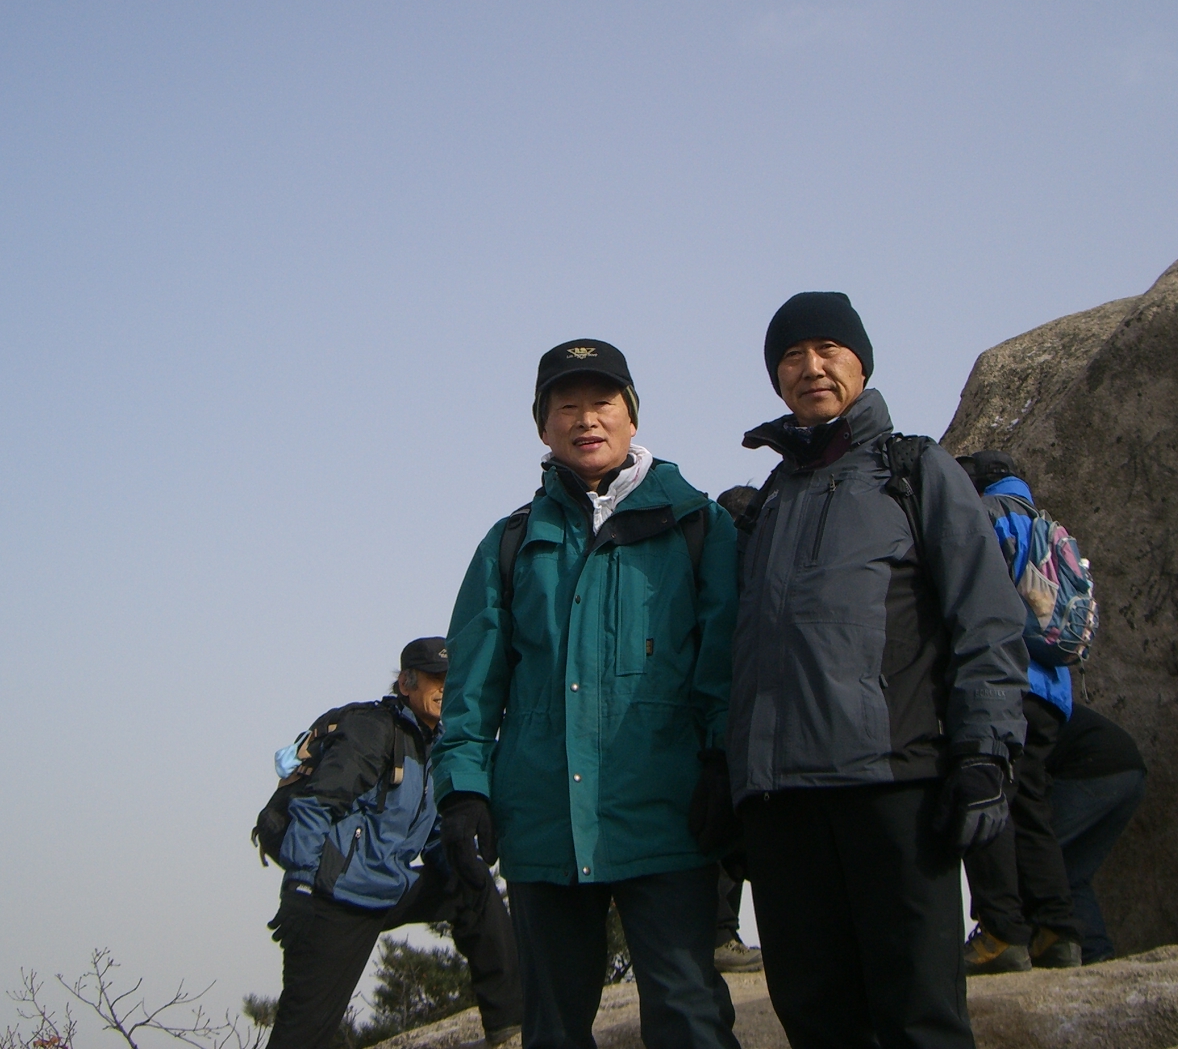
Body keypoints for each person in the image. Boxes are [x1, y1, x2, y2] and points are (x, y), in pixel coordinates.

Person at [728, 293, 1030, 1049]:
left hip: (894, 789)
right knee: (817, 1021)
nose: (811, 366)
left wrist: (985, 752)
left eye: (829, 349)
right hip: (782, 807)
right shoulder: (767, 503)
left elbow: (988, 619)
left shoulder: (916, 471)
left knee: (919, 1019)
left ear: (861, 363)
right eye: (791, 355)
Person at [434, 340, 741, 1049]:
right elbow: (474, 684)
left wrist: (724, 763)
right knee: (552, 1028)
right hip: (543, 822)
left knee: (690, 1016)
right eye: (565, 406)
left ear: (633, 415)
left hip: (668, 817)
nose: (586, 419)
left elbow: (724, 666)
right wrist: (463, 791)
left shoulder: (699, 525)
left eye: (602, 402)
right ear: (542, 427)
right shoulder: (511, 541)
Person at [265, 638, 522, 1049]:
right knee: (303, 1033)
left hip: (390, 887)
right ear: (406, 683)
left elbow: (433, 833)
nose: (445, 688)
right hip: (337, 898)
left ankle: (509, 1023)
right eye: (435, 678)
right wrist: (297, 886)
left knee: (474, 887)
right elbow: (316, 806)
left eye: (452, 679)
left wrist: (462, 861)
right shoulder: (372, 731)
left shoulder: (439, 744)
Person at [957, 450, 1083, 973]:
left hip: (1004, 684)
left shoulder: (985, 515)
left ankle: (1001, 931)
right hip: (1052, 691)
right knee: (1032, 806)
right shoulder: (1044, 523)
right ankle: (1057, 932)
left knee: (986, 796)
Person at [710, 485, 765, 976]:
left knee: (725, 835)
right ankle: (720, 936)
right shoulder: (755, 560)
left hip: (728, 719)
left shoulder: (711, 561)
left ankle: (721, 934)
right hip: (744, 719)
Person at [1046, 704, 1146, 964]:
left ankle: (1017, 943)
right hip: (1130, 771)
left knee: (1033, 852)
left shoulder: (1005, 703)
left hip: (1094, 767)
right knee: (1072, 871)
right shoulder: (1038, 697)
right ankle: (1095, 953)